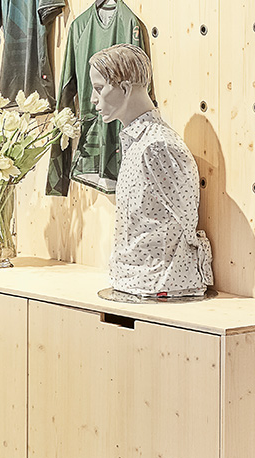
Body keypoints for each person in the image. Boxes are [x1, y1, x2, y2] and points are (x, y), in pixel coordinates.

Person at [89, 45, 212, 298]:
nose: (93, 98)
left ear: (125, 89)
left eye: (99, 88)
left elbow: (186, 221)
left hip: (158, 284)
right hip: (134, 283)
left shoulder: (158, 146)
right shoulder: (138, 142)